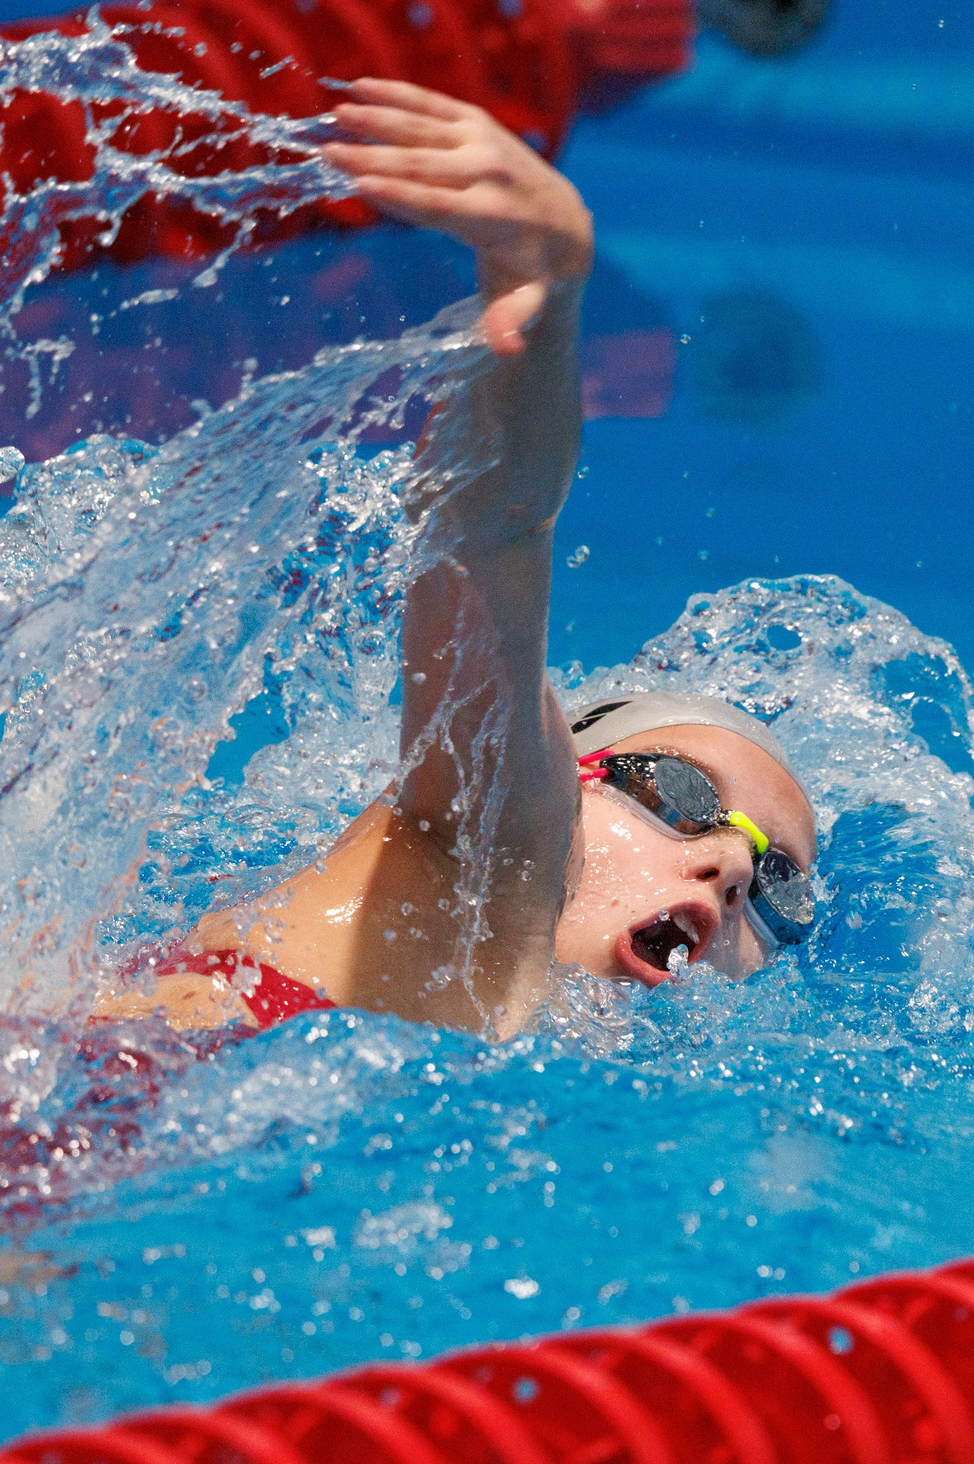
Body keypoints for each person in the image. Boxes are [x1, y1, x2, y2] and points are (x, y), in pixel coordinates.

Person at [95, 79, 820, 1043]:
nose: (730, 865)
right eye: (678, 796)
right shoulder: (504, 852)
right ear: (574, 771)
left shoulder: (519, 1033)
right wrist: (551, 292)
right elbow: (492, 530)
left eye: (777, 884)